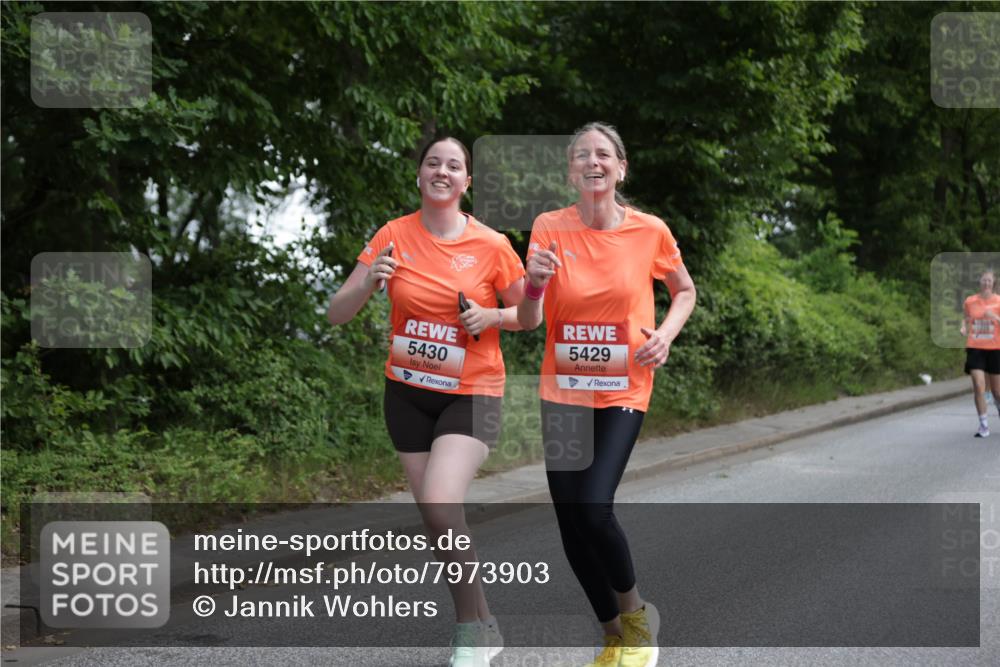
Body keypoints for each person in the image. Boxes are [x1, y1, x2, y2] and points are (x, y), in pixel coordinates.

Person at [327, 136, 525, 666]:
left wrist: (492, 317)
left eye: (454, 165)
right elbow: (336, 313)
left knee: (440, 501)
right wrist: (369, 281)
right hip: (408, 395)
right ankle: (486, 626)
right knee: (440, 521)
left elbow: (530, 316)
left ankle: (467, 633)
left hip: (473, 393)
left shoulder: (492, 245)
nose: (442, 171)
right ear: (419, 175)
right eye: (433, 163)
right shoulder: (393, 235)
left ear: (467, 182)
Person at [517, 122, 696, 667]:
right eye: (580, 155)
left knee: (594, 507)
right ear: (571, 170)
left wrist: (665, 334)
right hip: (564, 387)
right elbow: (529, 319)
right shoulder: (548, 226)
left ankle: (639, 618)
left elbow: (684, 290)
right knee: (570, 520)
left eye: (603, 154)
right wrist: (533, 282)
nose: (591, 162)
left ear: (621, 168)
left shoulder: (650, 231)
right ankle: (613, 635)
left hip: (625, 384)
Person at [961, 268, 1000, 438]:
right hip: (975, 347)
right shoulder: (970, 301)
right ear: (979, 282)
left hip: (995, 348)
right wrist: (963, 326)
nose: (986, 283)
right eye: (983, 280)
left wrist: (996, 318)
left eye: (989, 281)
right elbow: (967, 318)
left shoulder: (999, 301)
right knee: (978, 385)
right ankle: (983, 425)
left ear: (993, 284)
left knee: (997, 392)